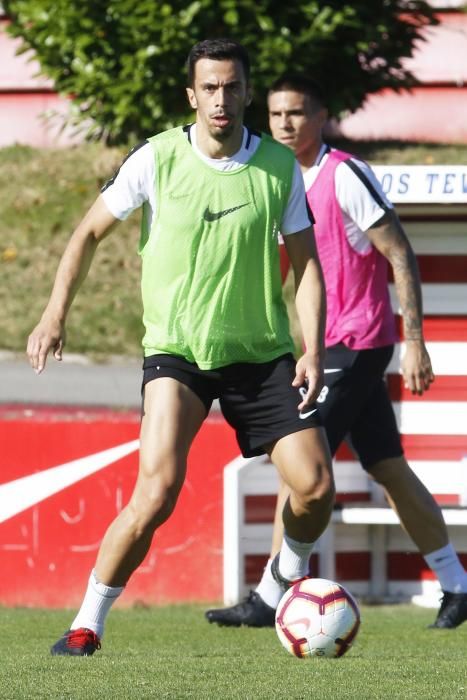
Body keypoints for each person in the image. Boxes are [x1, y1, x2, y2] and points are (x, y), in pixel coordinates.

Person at [27, 42, 335, 656]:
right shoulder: (157, 159)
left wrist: (313, 348)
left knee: (316, 487)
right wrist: (54, 312)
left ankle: (280, 583)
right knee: (158, 491)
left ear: (249, 93)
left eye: (233, 87)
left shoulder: (278, 168)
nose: (222, 99)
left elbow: (307, 266)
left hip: (262, 353)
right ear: (192, 96)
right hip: (179, 352)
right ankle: (88, 621)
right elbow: (88, 231)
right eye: (210, 88)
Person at [205, 74, 467, 630]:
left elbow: (399, 252)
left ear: (322, 117)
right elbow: (283, 271)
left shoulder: (342, 174)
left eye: (296, 113)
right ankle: (458, 584)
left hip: (358, 343)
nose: (284, 124)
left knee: (297, 461)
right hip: (328, 348)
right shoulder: (275, 180)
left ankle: (272, 595)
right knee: (388, 467)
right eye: (275, 115)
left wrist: (415, 341)